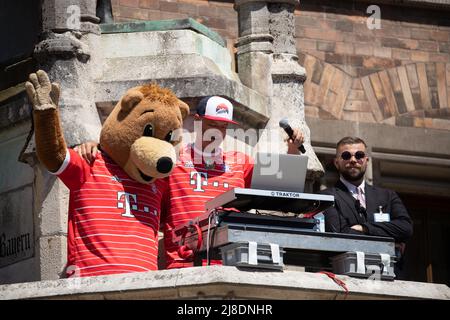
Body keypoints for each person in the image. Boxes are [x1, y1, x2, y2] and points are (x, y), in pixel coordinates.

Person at [77, 96, 305, 269]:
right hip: (184, 268)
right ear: (197, 121)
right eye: (211, 124)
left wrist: (293, 151)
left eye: (224, 127)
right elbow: (131, 174)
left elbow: (281, 189)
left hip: (233, 266)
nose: (219, 131)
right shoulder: (170, 162)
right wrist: (96, 148)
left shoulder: (240, 162)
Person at [321, 137, 413, 269]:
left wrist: (364, 228)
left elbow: (405, 228)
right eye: (346, 156)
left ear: (366, 161)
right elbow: (339, 235)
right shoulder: (327, 197)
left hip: (389, 275)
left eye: (359, 155)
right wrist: (389, 241)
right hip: (346, 274)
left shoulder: (388, 196)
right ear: (336, 163)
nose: (353, 160)